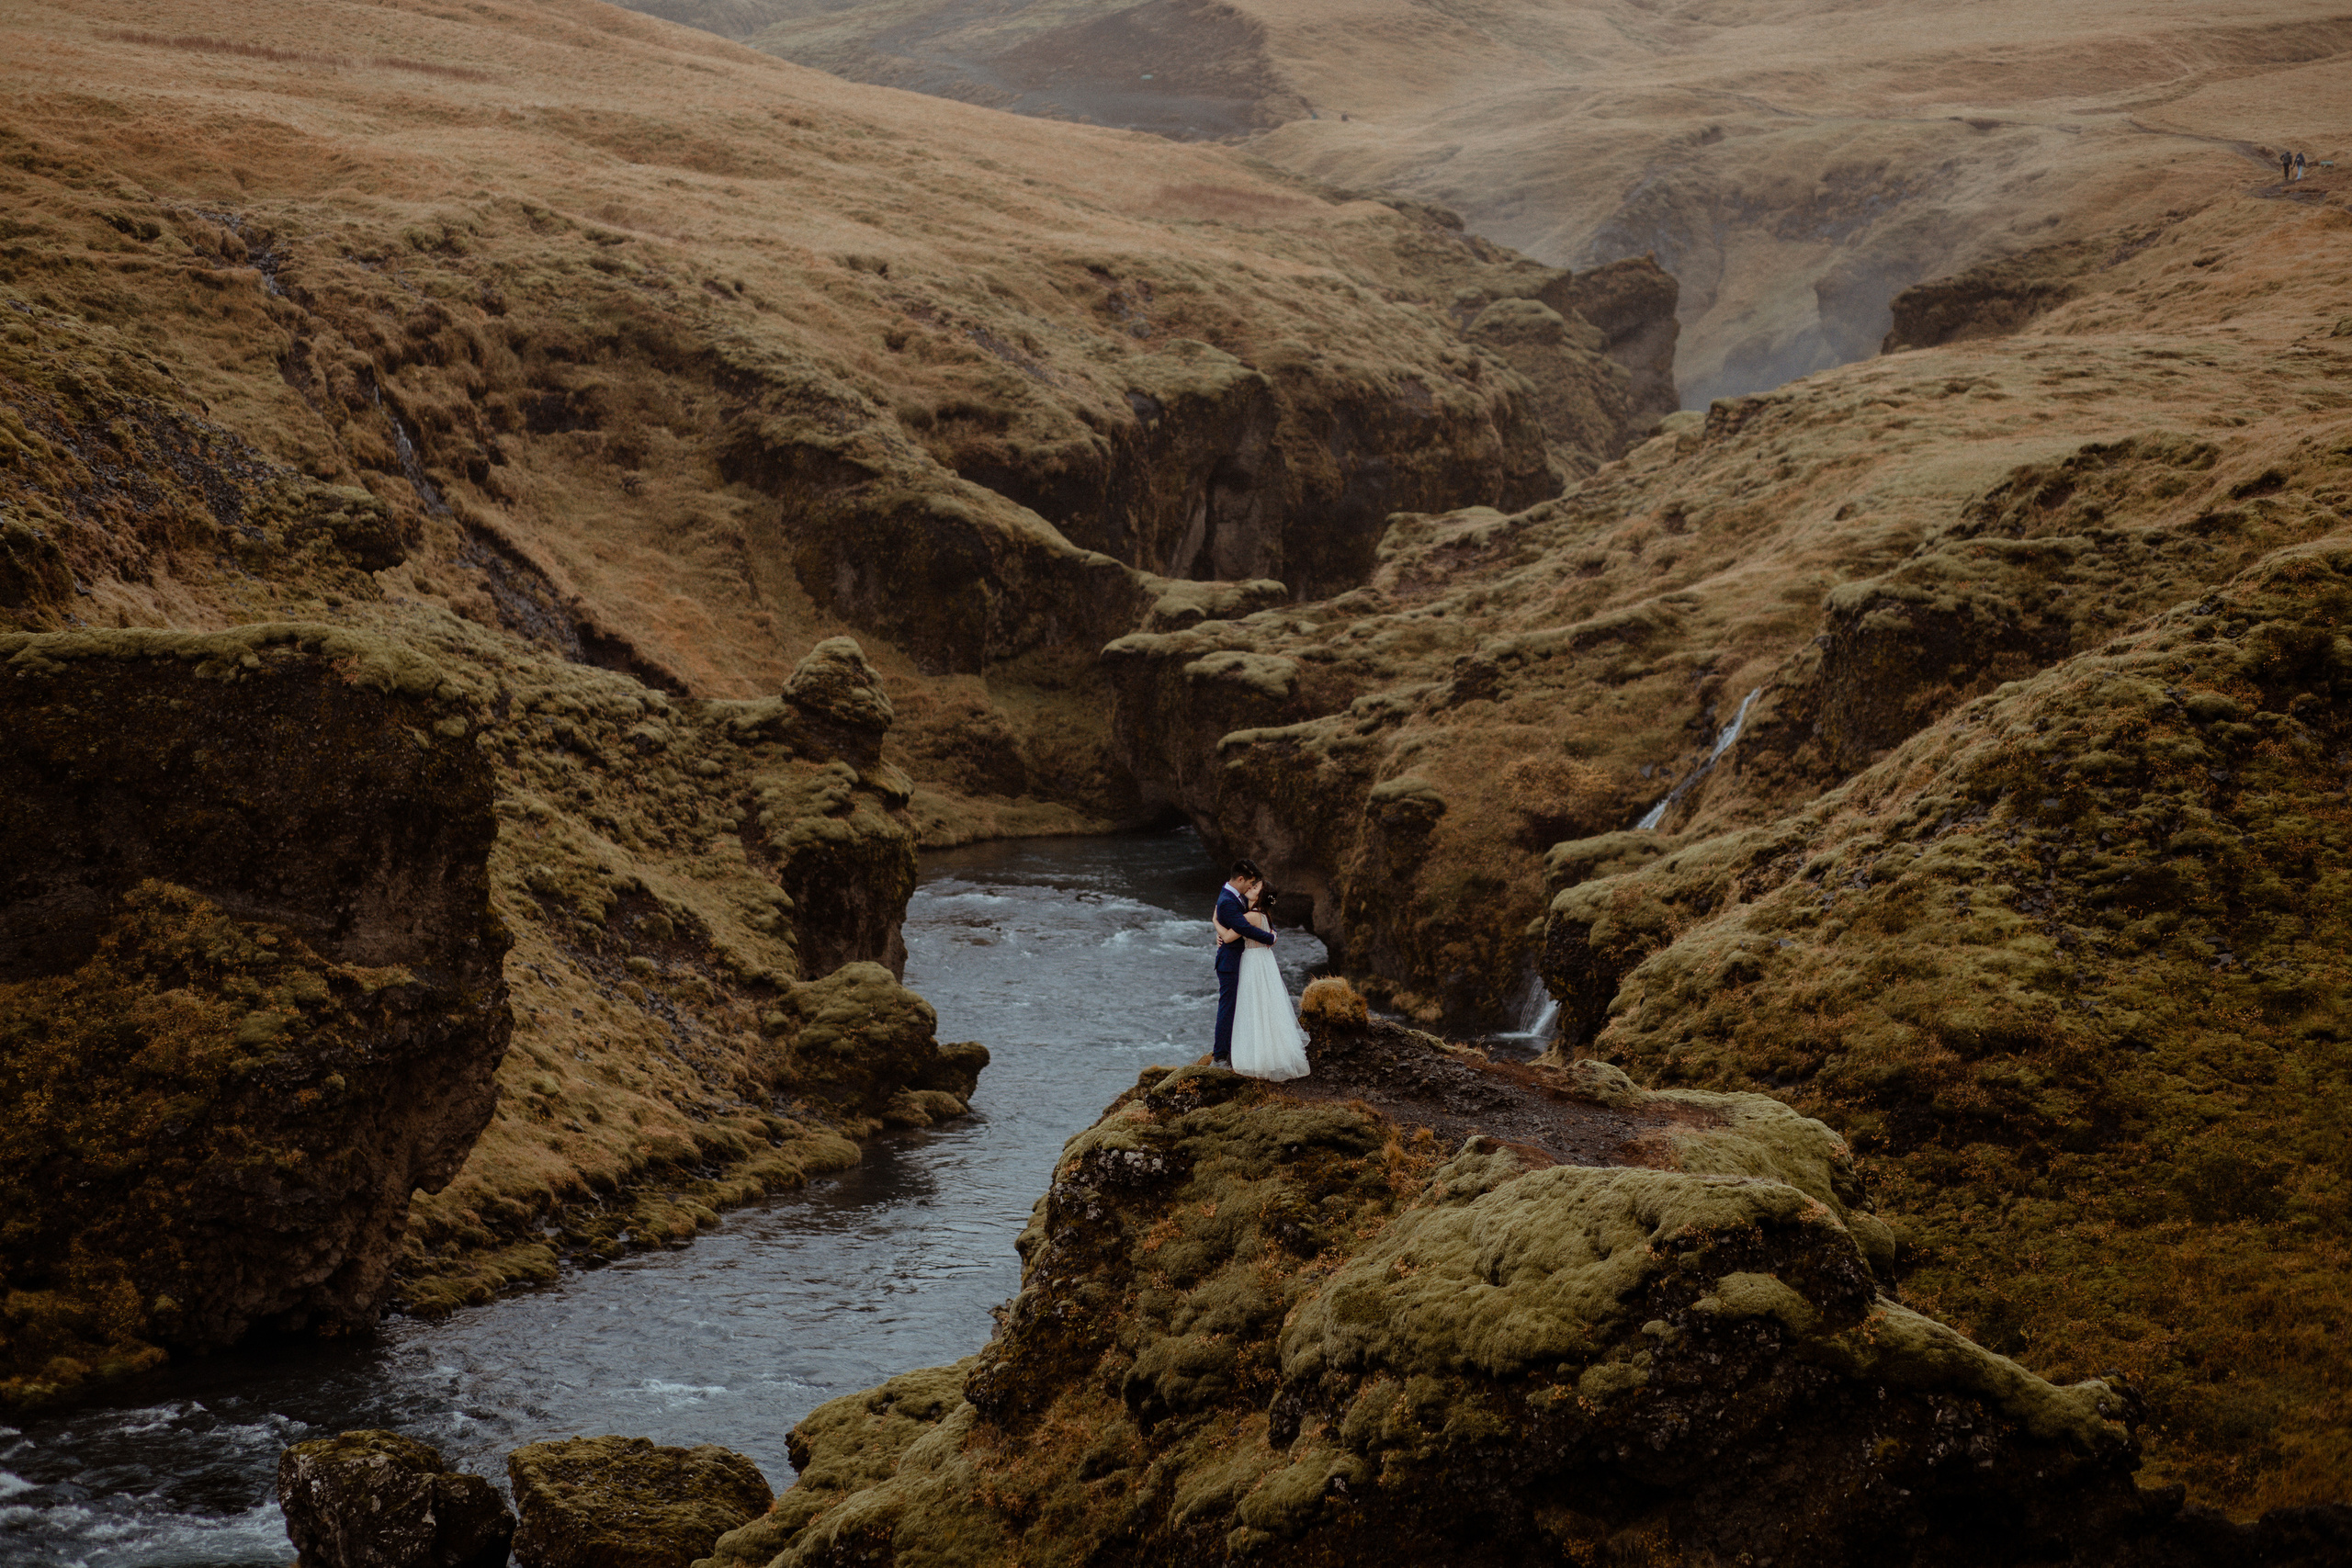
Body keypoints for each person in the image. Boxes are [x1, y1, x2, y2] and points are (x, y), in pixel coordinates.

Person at [1228, 882, 1311, 1081]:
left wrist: (1215, 921)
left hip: (1253, 961)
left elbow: (1229, 936)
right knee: (1268, 1004)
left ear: (1260, 896)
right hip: (1265, 961)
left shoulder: (1250, 916)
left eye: (1255, 888)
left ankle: (1256, 1058)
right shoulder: (1265, 916)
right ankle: (1272, 1053)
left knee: (1253, 1005)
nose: (1250, 888)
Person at [1211, 860, 1274, 1066]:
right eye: (1250, 883)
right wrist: (1271, 938)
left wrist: (1217, 925)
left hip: (1242, 961)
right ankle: (1220, 1056)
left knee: (1241, 1007)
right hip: (1230, 963)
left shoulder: (1237, 897)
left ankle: (1233, 1051)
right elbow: (1242, 929)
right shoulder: (1228, 901)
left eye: (1255, 886)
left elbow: (1254, 919)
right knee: (1228, 1009)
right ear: (1240, 879)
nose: (1251, 887)